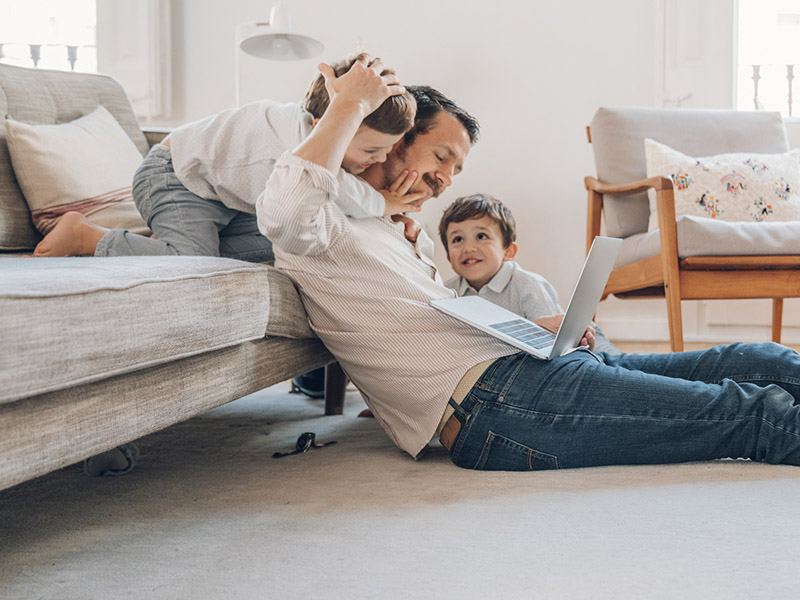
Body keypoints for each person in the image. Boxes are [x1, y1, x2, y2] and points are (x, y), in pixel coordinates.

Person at [259, 64, 800, 472]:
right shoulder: (316, 223)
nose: (448, 178)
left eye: (457, 168)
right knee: (753, 413)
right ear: (393, 143)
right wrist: (347, 107)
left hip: (528, 370)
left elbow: (436, 324)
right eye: (442, 156)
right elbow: (285, 208)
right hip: (494, 407)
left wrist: (527, 331)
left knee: (759, 358)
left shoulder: (399, 233)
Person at [31, 53, 421, 260]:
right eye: (372, 151)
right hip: (175, 178)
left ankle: (158, 240)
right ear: (327, 123)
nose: (379, 159)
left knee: (281, 248)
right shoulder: (295, 147)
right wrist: (384, 202)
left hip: (224, 199)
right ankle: (86, 236)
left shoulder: (309, 130)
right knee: (192, 261)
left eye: (388, 150)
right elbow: (341, 192)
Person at [438, 192, 618, 353]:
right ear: (448, 257)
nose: (468, 248)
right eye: (458, 239)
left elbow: (549, 341)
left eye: (481, 236)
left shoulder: (528, 285)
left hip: (583, 338)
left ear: (508, 251)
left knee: (620, 364)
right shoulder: (447, 292)